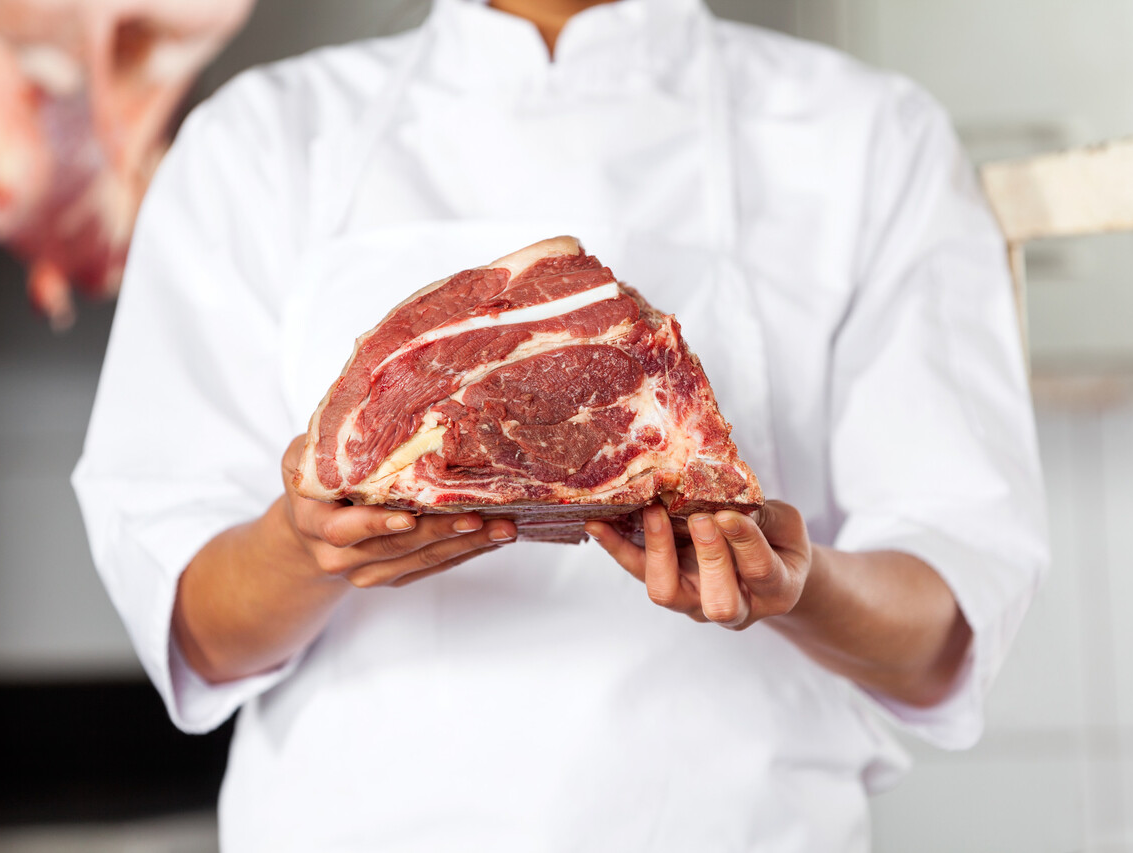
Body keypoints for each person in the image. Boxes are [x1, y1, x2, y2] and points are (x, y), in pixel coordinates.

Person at [72, 0, 1049, 849]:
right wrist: (304, 545)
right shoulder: (261, 140)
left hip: (732, 830)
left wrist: (798, 584)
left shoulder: (867, 136)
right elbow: (195, 625)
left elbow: (941, 630)